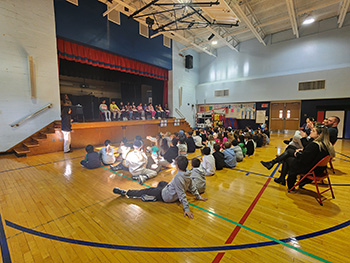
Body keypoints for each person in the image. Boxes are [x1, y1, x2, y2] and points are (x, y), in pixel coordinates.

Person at [112, 156, 208, 219]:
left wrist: (186, 209)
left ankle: (126, 192)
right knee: (162, 182)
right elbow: (192, 186)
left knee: (145, 190)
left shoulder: (178, 177)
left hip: (166, 196)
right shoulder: (188, 173)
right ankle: (155, 195)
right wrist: (198, 197)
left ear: (177, 166)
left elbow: (182, 194)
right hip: (169, 189)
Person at [285, 126, 335, 190]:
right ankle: (285, 178)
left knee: (288, 159)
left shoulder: (315, 145)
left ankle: (290, 185)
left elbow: (304, 160)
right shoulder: (327, 144)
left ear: (319, 135)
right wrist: (302, 152)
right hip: (320, 169)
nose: (311, 131)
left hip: (311, 170)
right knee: (289, 151)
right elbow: (311, 155)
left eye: (313, 131)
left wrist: (297, 154)